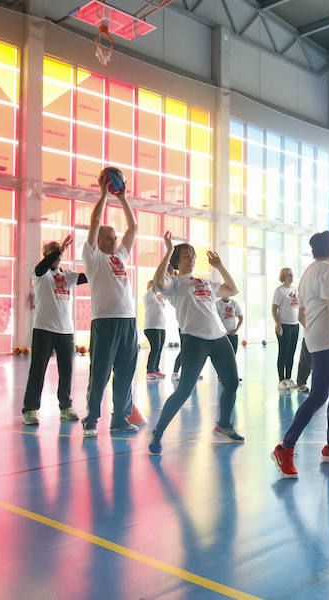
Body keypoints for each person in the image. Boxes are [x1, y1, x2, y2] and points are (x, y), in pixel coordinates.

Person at [271, 231, 329, 478]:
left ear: (313, 252)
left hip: (324, 338)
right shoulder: (328, 271)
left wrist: (315, 332)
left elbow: (302, 313)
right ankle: (284, 448)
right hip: (328, 340)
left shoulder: (308, 273)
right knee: (319, 396)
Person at [148, 232, 243, 455]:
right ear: (176, 261)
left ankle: (224, 425)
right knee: (183, 392)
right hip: (194, 340)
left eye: (192, 256)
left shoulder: (205, 281)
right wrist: (169, 251)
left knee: (231, 383)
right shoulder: (173, 283)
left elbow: (233, 289)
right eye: (185, 256)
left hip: (219, 338)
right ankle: (158, 432)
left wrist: (219, 266)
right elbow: (159, 279)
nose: (190, 259)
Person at [80, 174, 141, 438]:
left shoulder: (120, 256)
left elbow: (134, 227)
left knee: (126, 374)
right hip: (104, 322)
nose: (114, 241)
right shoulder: (92, 258)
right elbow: (94, 221)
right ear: (99, 241)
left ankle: (120, 420)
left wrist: (123, 198)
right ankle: (91, 420)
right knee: (100, 375)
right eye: (109, 238)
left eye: (115, 238)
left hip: (128, 321)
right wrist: (104, 194)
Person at [22, 235, 87, 425]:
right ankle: (30, 410)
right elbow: (45, 265)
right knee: (38, 370)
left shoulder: (67, 275)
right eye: (53, 254)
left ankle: (66, 406)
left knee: (66, 370)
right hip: (44, 328)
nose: (57, 257)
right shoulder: (40, 273)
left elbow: (87, 277)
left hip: (65, 331)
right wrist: (60, 249)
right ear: (46, 256)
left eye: (58, 254)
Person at [272, 268, 300, 390]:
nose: (291, 277)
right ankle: (281, 380)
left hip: (295, 325)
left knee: (291, 353)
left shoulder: (295, 289)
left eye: (292, 275)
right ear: (284, 276)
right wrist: (278, 325)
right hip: (284, 325)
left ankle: (288, 379)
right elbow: (274, 309)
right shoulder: (280, 290)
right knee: (283, 353)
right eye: (289, 275)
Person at [143, 280, 168, 380]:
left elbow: (167, 292)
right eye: (154, 286)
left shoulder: (159, 297)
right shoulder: (148, 297)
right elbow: (154, 287)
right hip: (151, 327)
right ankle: (149, 371)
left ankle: (156, 369)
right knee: (155, 348)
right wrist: (156, 282)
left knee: (159, 349)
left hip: (161, 327)